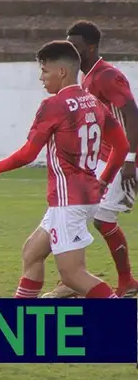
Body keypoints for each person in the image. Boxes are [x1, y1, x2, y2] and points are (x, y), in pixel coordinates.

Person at [0, 40, 128, 299]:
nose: (41, 77)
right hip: (84, 197)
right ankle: (21, 323)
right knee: (32, 253)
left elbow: (28, 153)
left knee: (73, 275)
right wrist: (103, 181)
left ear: (62, 72)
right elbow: (122, 145)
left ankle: (125, 321)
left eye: (45, 71)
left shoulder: (53, 106)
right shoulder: (93, 102)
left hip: (67, 201)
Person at [40, 21, 138, 297]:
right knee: (82, 212)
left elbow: (132, 113)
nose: (72, 50)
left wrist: (130, 157)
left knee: (97, 216)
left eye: (77, 46)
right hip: (106, 160)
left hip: (122, 159)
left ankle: (105, 280)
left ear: (92, 47)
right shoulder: (86, 77)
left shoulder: (107, 76)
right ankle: (74, 278)